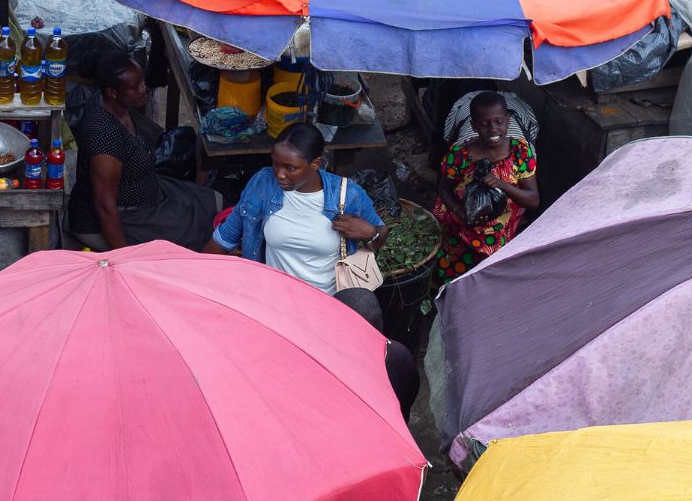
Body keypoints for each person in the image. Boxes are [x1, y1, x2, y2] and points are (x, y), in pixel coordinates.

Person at [204, 125, 418, 416]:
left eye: (290, 168)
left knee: (362, 308)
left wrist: (368, 232)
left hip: (327, 304)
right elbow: (226, 237)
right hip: (274, 303)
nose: (279, 173)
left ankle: (366, 390)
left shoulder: (347, 195)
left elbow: (379, 236)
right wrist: (195, 277)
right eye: (275, 163)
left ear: (316, 164)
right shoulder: (262, 185)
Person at [67, 49, 219, 251]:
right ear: (112, 92)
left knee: (210, 202)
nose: (143, 89)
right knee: (202, 231)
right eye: (135, 87)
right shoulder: (105, 137)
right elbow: (105, 206)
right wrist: (124, 257)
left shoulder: (111, 103)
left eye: (142, 81)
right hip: (125, 217)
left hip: (147, 192)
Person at [432, 91, 540, 282]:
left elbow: (533, 201)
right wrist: (460, 211)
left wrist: (501, 185)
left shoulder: (520, 152)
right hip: (460, 227)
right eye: (484, 124)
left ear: (508, 121)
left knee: (490, 277)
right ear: (474, 126)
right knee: (456, 277)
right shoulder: (459, 155)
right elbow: (443, 189)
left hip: (499, 231)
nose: (493, 129)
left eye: (499, 122)